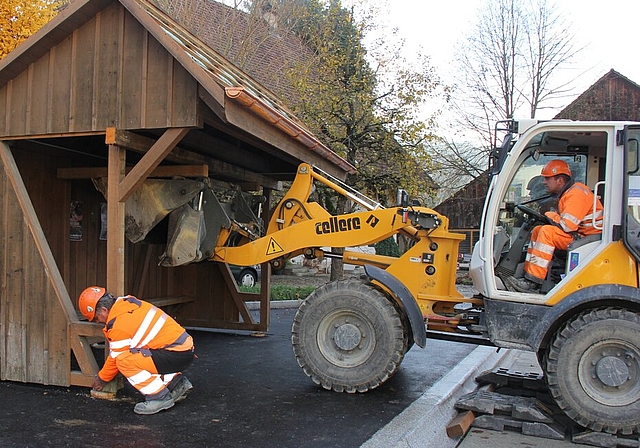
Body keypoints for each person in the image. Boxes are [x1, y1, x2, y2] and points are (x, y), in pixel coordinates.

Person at [78, 286, 195, 415]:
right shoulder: (127, 303)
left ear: (105, 310)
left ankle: (158, 397)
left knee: (124, 361)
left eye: (96, 318)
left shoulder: (118, 324)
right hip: (183, 350)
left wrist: (102, 379)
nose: (98, 322)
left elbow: (116, 356)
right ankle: (176, 383)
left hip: (174, 353)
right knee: (139, 354)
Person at [505, 160, 603, 293]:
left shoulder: (576, 194)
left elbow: (567, 226)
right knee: (538, 230)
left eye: (547, 178)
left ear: (560, 180)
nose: (544, 182)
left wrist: (550, 215)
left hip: (588, 239)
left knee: (547, 232)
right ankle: (529, 277)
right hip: (584, 236)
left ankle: (532, 282)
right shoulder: (569, 193)